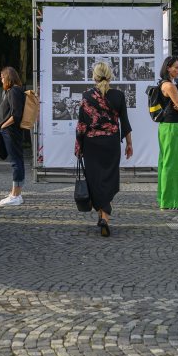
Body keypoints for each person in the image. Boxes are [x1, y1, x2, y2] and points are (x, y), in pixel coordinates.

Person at [75, 61, 133, 236]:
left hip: (92, 145)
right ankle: (104, 217)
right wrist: (129, 144)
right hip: (111, 144)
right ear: (110, 75)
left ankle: (102, 215)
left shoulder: (86, 96)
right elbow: (125, 122)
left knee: (95, 180)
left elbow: (81, 126)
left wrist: (79, 146)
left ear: (94, 76)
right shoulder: (119, 95)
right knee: (108, 179)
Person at [156, 56, 178, 210]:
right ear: (168, 67)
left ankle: (164, 198)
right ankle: (171, 201)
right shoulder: (170, 86)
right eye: (175, 67)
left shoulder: (163, 84)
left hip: (165, 127)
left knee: (165, 162)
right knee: (174, 164)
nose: (177, 70)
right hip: (172, 128)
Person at [0, 66, 27, 207]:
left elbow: (16, 114)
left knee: (16, 162)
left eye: (2, 76)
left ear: (8, 77)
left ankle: (16, 195)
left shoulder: (14, 91)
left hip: (11, 131)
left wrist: (3, 125)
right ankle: (15, 193)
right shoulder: (14, 91)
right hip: (12, 130)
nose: (1, 79)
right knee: (17, 161)